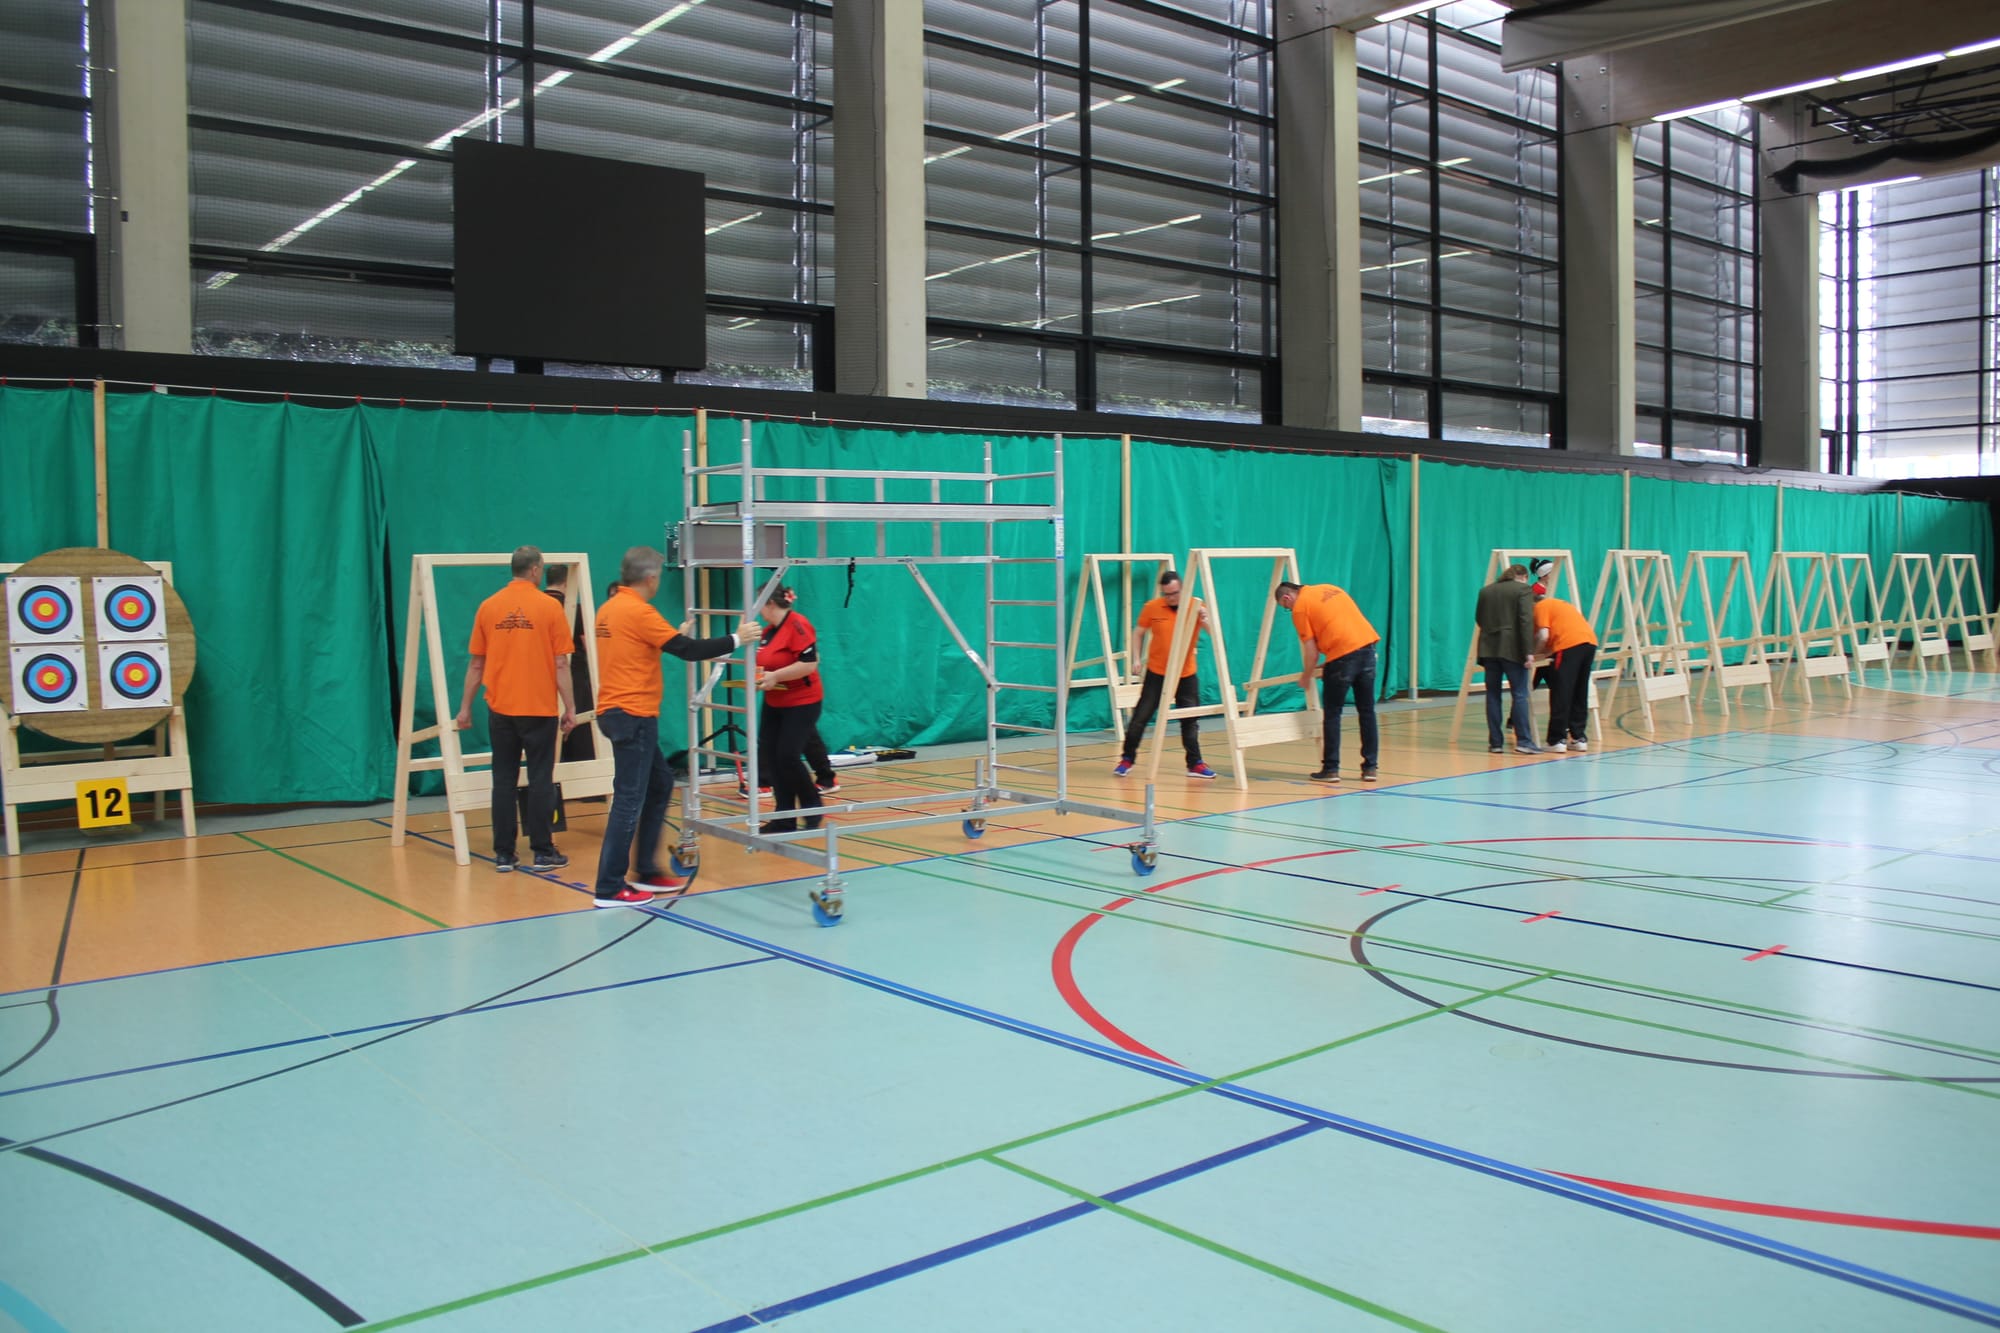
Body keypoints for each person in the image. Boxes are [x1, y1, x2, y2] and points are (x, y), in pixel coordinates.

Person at [592, 546, 761, 907]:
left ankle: (646, 871)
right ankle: (609, 887)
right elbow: (688, 650)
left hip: (617, 712)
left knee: (660, 784)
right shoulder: (639, 611)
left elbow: (636, 647)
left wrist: (670, 635)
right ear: (651, 578)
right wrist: (737, 638)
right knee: (629, 799)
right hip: (633, 714)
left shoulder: (609, 609)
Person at [455, 546, 576, 873]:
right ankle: (542, 851)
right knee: (540, 779)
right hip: (538, 708)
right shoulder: (549, 607)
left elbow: (476, 664)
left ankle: (504, 854)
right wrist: (570, 707)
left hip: (502, 709)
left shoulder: (488, 606)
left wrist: (465, 709)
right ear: (535, 570)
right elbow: (560, 664)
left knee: (503, 780)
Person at [1113, 569, 1218, 779]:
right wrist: (1136, 659)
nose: (1171, 598)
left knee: (1189, 719)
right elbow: (1138, 633)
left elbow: (1213, 632)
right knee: (1140, 717)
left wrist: (1205, 618)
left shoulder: (1196, 606)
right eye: (1167, 594)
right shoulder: (1152, 607)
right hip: (1157, 673)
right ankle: (1127, 759)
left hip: (1186, 674)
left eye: (1175, 593)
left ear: (1182, 589)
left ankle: (1195, 764)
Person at [1275, 580, 1380, 784]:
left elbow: (1311, 651)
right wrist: (1331, 661)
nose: (1290, 610)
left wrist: (1306, 676)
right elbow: (1342, 627)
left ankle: (1331, 769)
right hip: (1367, 650)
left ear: (1287, 598)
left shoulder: (1300, 609)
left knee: (1332, 714)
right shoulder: (1331, 588)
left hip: (1342, 659)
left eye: (1286, 607)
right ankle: (1370, 768)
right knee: (1367, 712)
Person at [754, 586, 826, 833]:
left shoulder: (798, 624)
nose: (757, 609)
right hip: (775, 701)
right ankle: (784, 817)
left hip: (802, 701)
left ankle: (812, 805)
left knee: (788, 755)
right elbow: (766, 663)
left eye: (759, 603)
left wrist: (775, 676)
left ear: (770, 604)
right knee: (772, 757)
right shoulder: (767, 632)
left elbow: (809, 663)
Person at [1475, 564, 1541, 755]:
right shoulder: (1523, 589)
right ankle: (1524, 741)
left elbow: (1479, 618)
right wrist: (1528, 651)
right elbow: (1525, 620)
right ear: (1524, 577)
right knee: (1519, 694)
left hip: (1488, 648)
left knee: (1493, 695)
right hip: (1512, 649)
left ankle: (1495, 743)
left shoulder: (1486, 591)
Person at [1532, 584, 1599, 753]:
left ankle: (1557, 740)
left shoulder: (1540, 607)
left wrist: (1533, 654)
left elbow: (1544, 636)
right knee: (1579, 692)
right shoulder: (1560, 605)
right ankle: (1579, 737)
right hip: (1589, 643)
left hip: (1568, 646)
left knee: (1561, 692)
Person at [542, 562, 596, 764]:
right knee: (579, 725)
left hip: (541, 675)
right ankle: (581, 769)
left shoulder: (536, 606)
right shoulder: (575, 609)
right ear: (567, 583)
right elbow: (588, 645)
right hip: (573, 675)